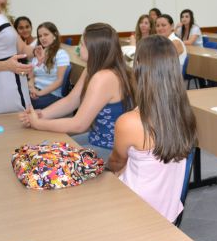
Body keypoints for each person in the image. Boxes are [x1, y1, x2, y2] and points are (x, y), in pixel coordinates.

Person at [107, 35, 197, 222]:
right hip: (168, 210)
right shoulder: (185, 114)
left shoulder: (130, 122)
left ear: (139, 67)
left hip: (136, 211)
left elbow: (115, 163)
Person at [20, 23, 136, 161]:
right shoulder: (92, 69)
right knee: (46, 150)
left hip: (111, 149)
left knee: (47, 159)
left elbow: (79, 124)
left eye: (82, 44)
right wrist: (41, 115)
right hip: (96, 138)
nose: (78, 48)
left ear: (93, 49)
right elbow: (72, 100)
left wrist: (38, 124)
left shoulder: (104, 77)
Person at [28, 22, 70, 109]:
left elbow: (60, 81)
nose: (42, 38)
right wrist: (32, 89)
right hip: (36, 89)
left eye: (46, 34)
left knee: (22, 103)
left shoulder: (61, 54)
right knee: (16, 98)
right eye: (40, 36)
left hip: (52, 94)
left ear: (54, 35)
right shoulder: (39, 52)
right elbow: (31, 76)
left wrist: (39, 93)